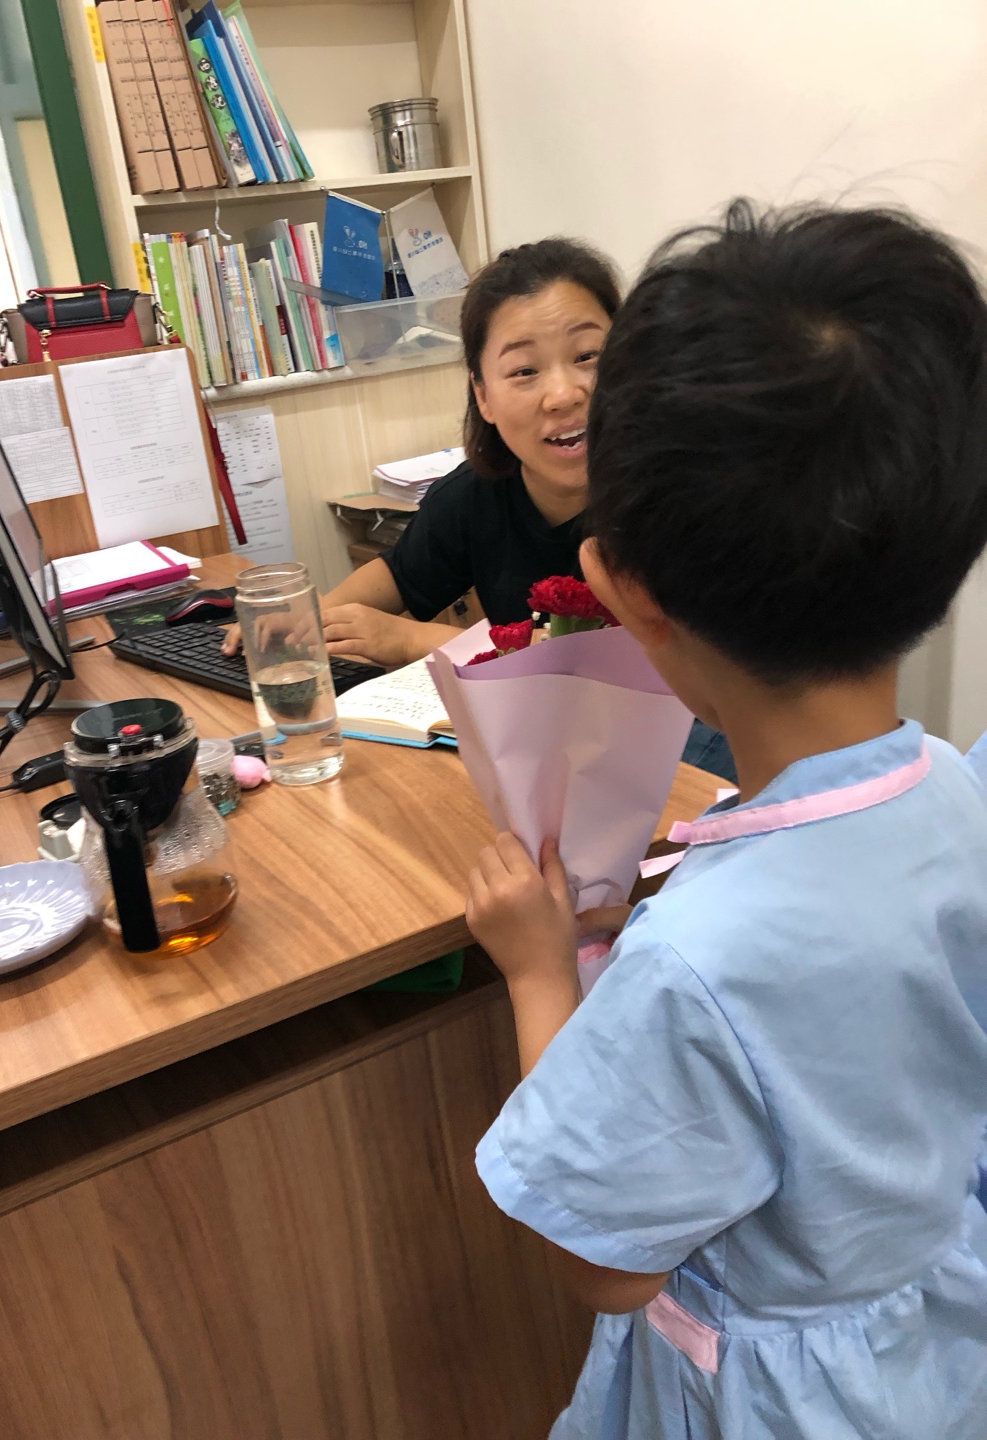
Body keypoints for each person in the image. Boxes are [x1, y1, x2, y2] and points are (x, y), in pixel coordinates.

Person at [465, 200, 987, 1439]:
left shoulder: (695, 963)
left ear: (622, 595)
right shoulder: (957, 786)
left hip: (777, 1400)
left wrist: (540, 975)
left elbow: (604, 1261)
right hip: (935, 1339)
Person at [222, 237, 735, 781]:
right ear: (483, 395)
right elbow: (397, 575)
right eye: (524, 371)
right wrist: (295, 628)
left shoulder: (677, 495)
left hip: (687, 757)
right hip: (552, 763)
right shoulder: (475, 495)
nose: (563, 394)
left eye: (588, 356)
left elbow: (623, 669)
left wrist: (411, 639)